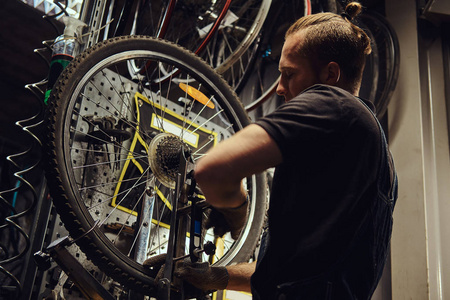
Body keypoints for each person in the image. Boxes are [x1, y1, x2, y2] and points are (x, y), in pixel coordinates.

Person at [174, 2, 398, 299]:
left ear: (331, 75)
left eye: (289, 74)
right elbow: (290, 274)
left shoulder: (333, 105)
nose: (280, 88)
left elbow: (212, 170)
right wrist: (216, 277)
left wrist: (237, 210)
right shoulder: (374, 153)